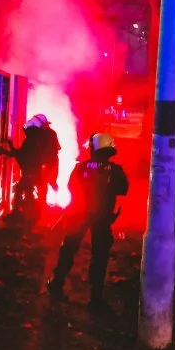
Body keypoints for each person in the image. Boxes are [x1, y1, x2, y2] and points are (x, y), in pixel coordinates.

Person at [47, 133, 128, 310]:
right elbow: (124, 189)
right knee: (99, 256)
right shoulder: (115, 170)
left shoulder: (81, 168)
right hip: (102, 218)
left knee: (68, 249)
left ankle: (57, 283)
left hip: (79, 215)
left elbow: (70, 187)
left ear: (93, 149)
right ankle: (96, 298)